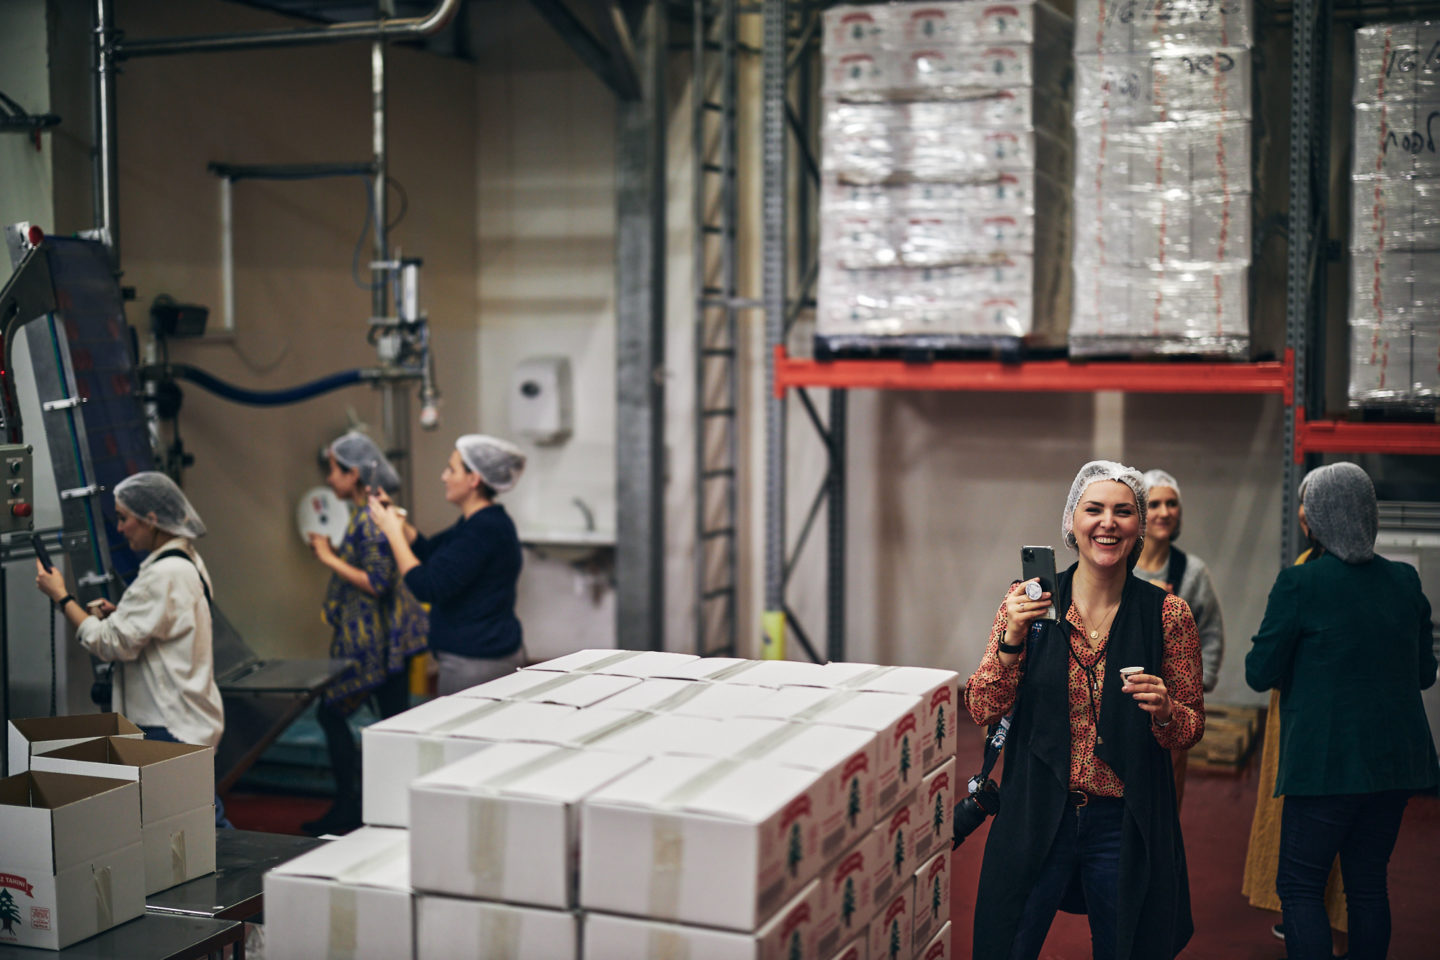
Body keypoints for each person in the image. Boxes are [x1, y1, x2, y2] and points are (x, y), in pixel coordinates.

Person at [965, 460, 1204, 960]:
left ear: (1139, 527)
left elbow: (1189, 728)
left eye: (1123, 511)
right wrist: (1011, 639)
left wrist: (1164, 711)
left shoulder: (1168, 615)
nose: (1107, 523)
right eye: (1093, 509)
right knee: (1007, 942)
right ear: (1071, 522)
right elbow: (983, 706)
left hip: (1121, 822)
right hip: (1035, 812)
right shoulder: (1027, 604)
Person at [1246, 462, 1437, 960]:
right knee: (1368, 884)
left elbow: (1259, 673)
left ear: (1317, 519)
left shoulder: (1299, 584)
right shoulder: (1405, 580)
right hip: (1396, 766)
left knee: (1301, 885)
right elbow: (1424, 674)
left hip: (1324, 765)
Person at [34, 472, 229, 826]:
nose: (121, 528)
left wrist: (61, 596)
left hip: (167, 724)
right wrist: (121, 616)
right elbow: (163, 623)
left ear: (151, 519)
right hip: (189, 716)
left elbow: (108, 643)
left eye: (124, 518)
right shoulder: (187, 562)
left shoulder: (163, 574)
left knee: (200, 827)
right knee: (196, 821)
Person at [1242, 466, 1349, 956]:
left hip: (1315, 731)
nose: (1303, 512)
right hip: (1326, 729)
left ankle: (1325, 927)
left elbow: (1262, 667)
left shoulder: (1305, 578)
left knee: (1307, 869)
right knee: (1361, 874)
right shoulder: (1385, 575)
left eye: (1311, 502)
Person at [302, 431, 428, 836]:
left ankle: (355, 808)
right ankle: (381, 808)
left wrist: (327, 557)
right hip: (381, 640)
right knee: (390, 725)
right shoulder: (366, 513)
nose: (329, 479)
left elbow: (378, 582)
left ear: (353, 473)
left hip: (378, 643)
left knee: (338, 715)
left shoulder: (371, 520)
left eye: (333, 470)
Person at [370, 434, 526, 695]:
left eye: (451, 469)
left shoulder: (483, 531)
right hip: (479, 656)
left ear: (474, 479)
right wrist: (395, 519)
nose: (444, 477)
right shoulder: (481, 522)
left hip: (477, 664)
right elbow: (432, 553)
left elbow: (428, 586)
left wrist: (392, 533)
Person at [1136, 468, 1226, 808]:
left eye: (1171, 504)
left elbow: (1211, 629)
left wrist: (1198, 686)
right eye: (1154, 504)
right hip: (1123, 697)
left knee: (1167, 798)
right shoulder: (1118, 567)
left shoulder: (1192, 572)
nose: (1164, 512)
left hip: (1171, 705)